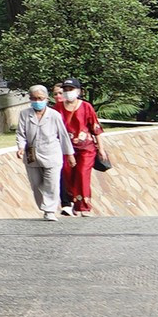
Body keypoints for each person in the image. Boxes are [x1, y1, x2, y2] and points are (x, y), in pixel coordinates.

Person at [16, 83, 75, 221]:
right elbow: (21, 133)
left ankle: (50, 210)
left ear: (46, 99)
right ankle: (43, 206)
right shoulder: (24, 114)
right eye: (34, 98)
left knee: (52, 183)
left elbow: (63, 135)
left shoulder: (54, 115)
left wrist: (69, 154)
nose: (37, 101)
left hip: (51, 153)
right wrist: (20, 147)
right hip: (31, 152)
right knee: (36, 184)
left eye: (40, 98)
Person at [56, 78, 102, 216]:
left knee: (82, 173)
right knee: (67, 174)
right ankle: (72, 202)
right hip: (66, 148)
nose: (68, 92)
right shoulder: (58, 108)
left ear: (78, 91)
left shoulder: (86, 107)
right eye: (65, 90)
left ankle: (84, 206)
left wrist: (101, 149)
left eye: (70, 89)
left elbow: (95, 128)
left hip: (86, 148)